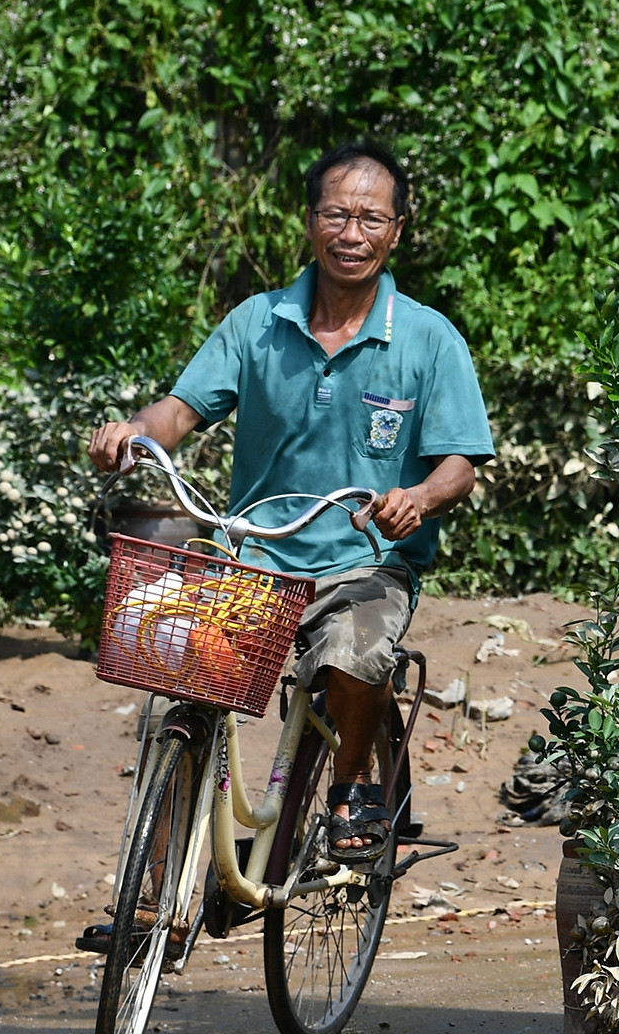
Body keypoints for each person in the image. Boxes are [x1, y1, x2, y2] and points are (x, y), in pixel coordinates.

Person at [90, 140, 494, 861]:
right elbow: (176, 414)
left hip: (365, 560)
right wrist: (132, 433)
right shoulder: (258, 323)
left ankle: (349, 791)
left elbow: (459, 466)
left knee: (356, 655)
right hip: (254, 559)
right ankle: (151, 905)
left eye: (371, 219)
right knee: (175, 680)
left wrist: (418, 498)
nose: (351, 234)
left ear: (397, 230)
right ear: (310, 222)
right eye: (336, 215)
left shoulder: (430, 339)